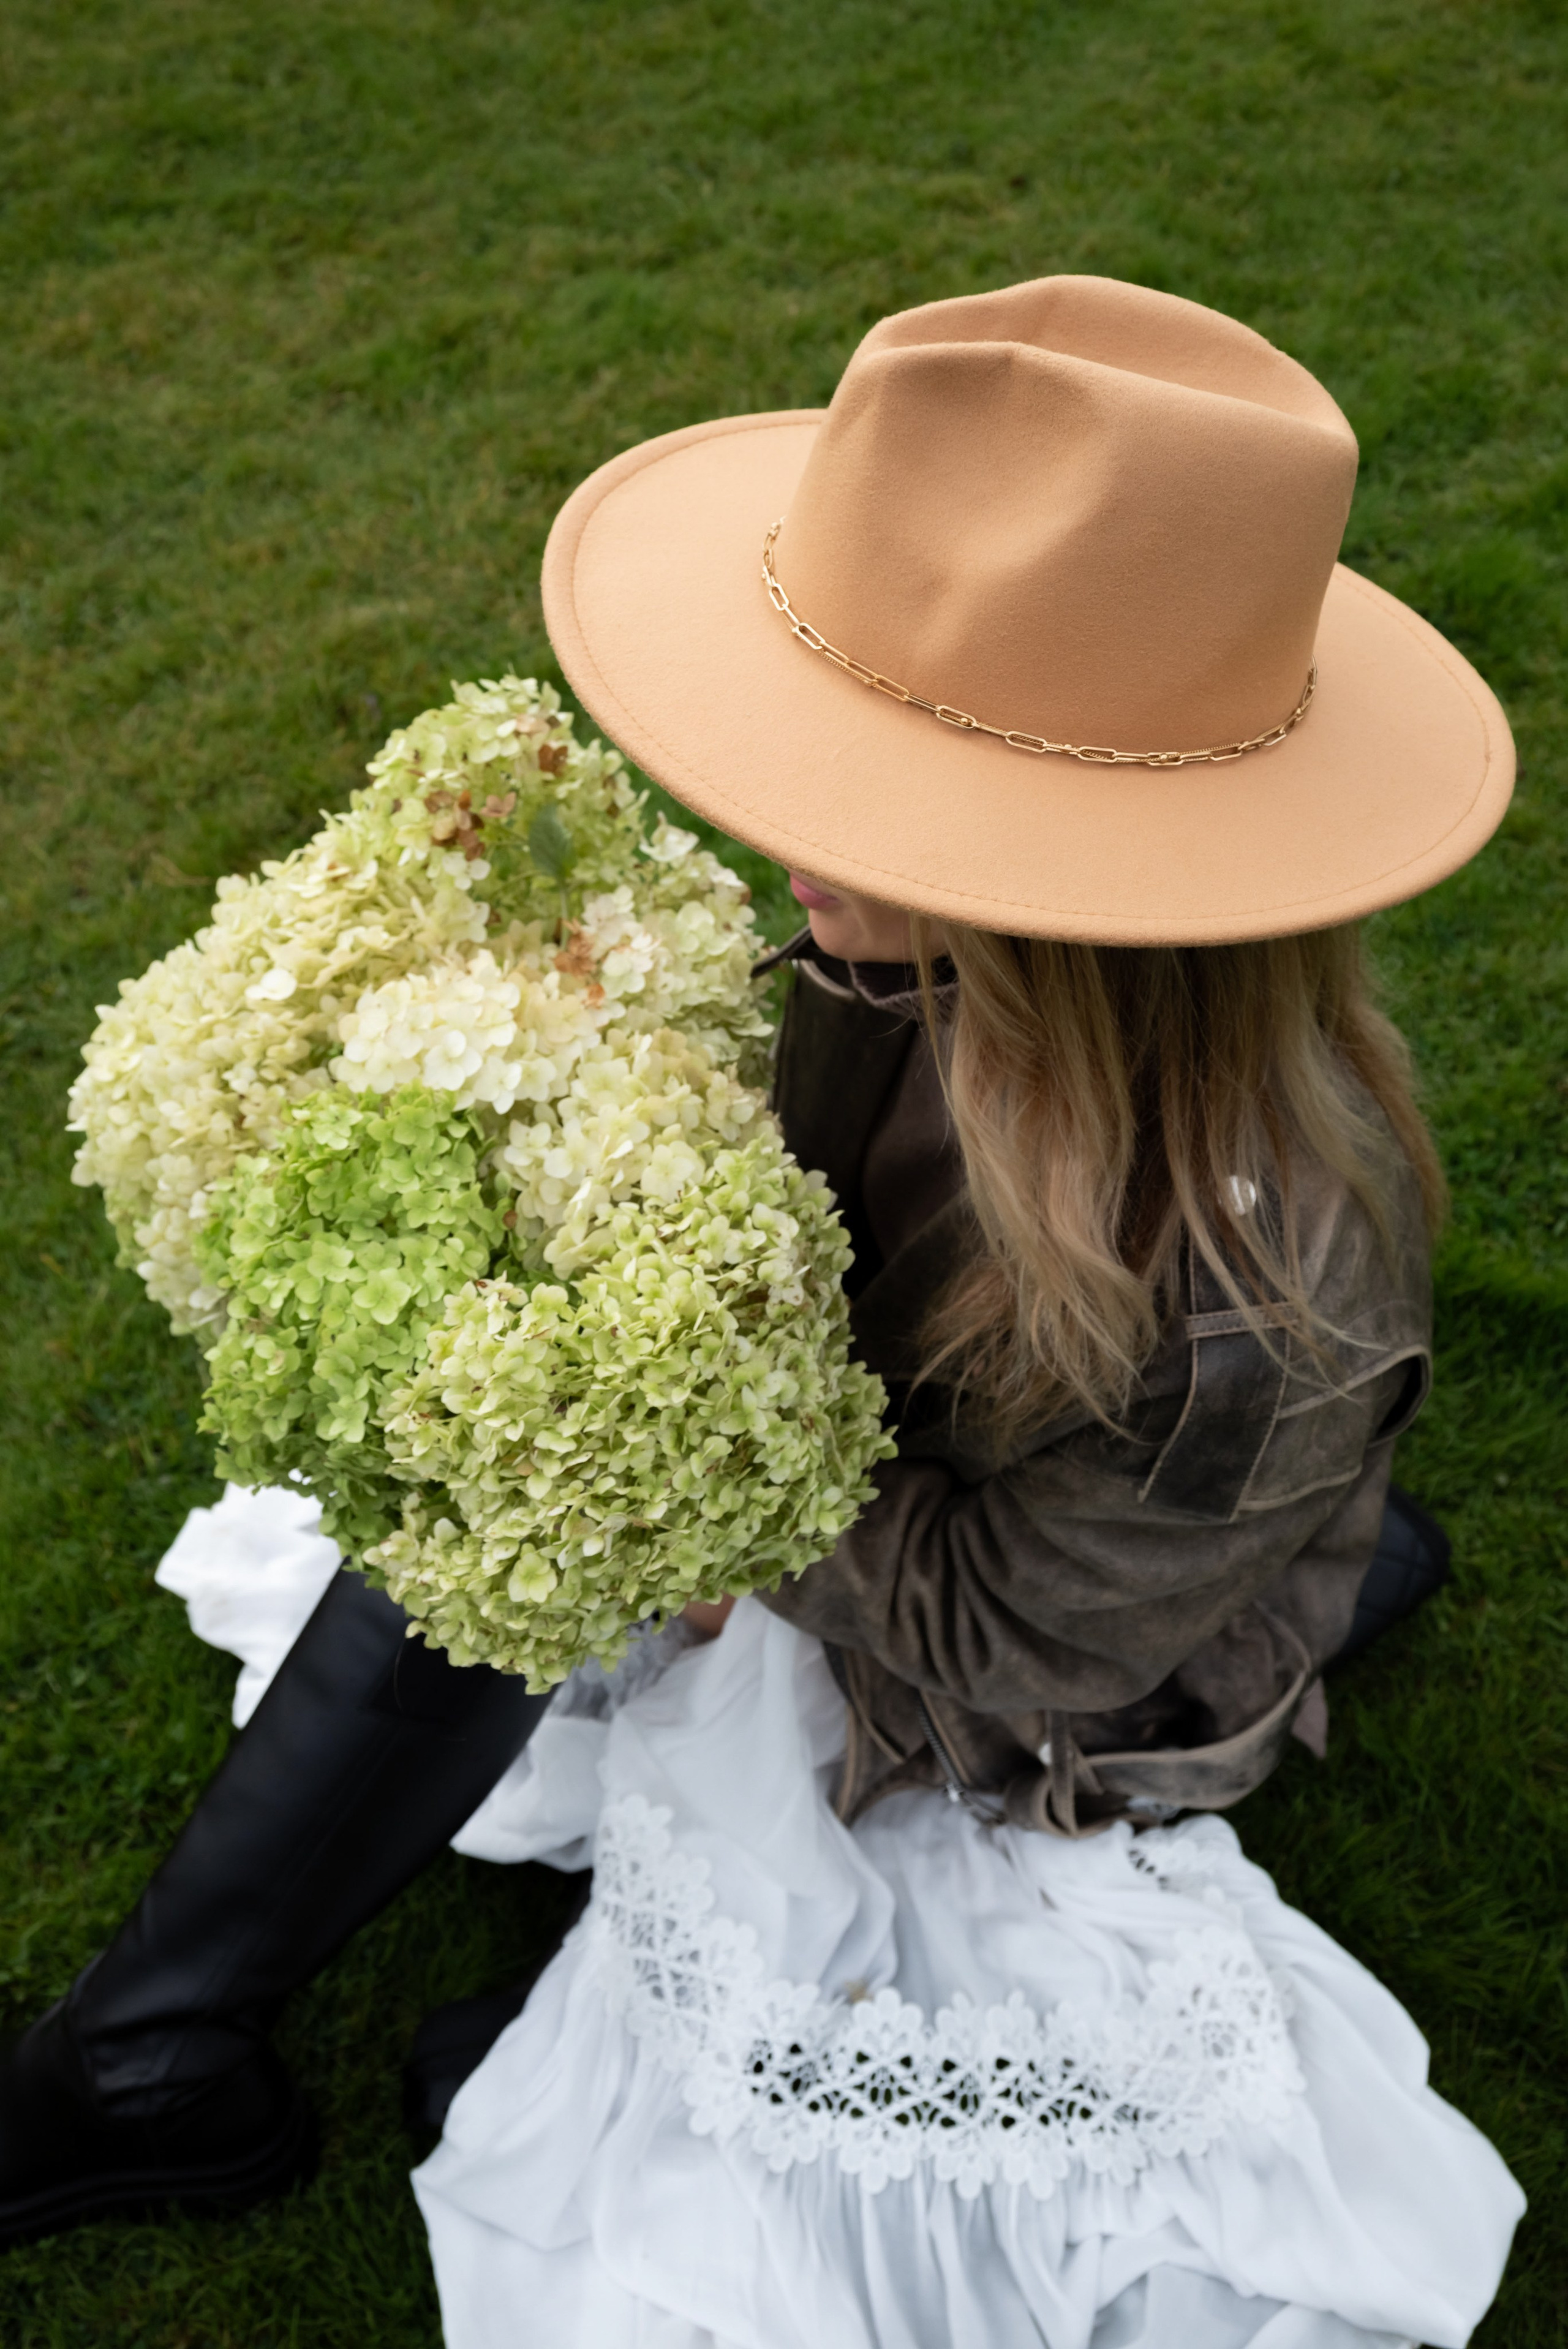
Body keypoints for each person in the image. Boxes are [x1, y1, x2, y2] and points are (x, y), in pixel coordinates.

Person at [0, 274, 1520, 2345]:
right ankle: (141, 2054)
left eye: (882, 796)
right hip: (926, 1486)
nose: (777, 830)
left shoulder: (1261, 1288)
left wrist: (707, 1489)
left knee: (552, 1579)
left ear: (1088, 888)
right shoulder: (911, 938)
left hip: (1017, 1665)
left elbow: (1012, 1634)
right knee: (488, 1489)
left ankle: (139, 2063)